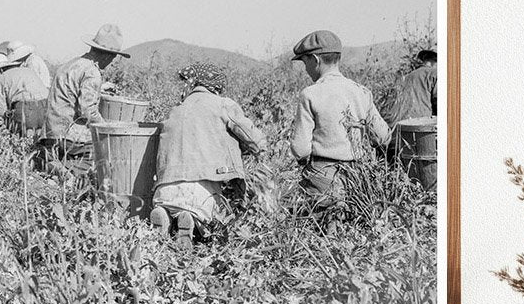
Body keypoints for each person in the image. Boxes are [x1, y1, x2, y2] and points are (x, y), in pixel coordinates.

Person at [150, 62, 266, 249]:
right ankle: (192, 222)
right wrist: (260, 148)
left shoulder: (176, 109)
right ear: (216, 87)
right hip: (203, 181)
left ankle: (163, 212)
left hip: (166, 183)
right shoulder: (222, 104)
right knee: (207, 212)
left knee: (171, 204)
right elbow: (250, 134)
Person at [289, 30, 390, 206]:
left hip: (322, 179)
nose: (306, 70)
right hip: (357, 180)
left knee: (319, 229)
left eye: (305, 63)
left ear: (315, 59)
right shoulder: (362, 91)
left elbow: (300, 149)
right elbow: (383, 136)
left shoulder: (310, 94)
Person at [44, 24, 130, 159]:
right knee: (111, 155)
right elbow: (88, 111)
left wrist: (99, 90)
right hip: (69, 138)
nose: (111, 62)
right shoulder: (92, 72)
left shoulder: (71, 64)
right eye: (113, 58)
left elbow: (70, 92)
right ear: (107, 56)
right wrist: (107, 129)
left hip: (52, 132)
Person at [0, 53, 49, 134]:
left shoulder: (1, 78)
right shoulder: (27, 70)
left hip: (24, 110)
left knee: (21, 134)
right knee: (39, 135)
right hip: (46, 106)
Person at [387, 48, 437, 126]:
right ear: (432, 62)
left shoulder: (405, 78)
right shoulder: (433, 73)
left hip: (399, 126)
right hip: (423, 125)